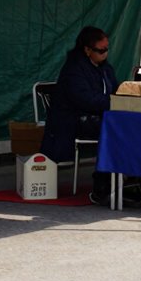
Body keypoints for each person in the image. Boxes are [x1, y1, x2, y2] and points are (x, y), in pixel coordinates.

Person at [39, 26, 118, 205]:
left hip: (98, 115)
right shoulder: (74, 70)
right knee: (114, 130)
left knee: (121, 127)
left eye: (107, 49)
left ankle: (122, 177)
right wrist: (113, 102)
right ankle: (103, 182)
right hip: (74, 120)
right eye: (101, 50)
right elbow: (85, 100)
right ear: (87, 50)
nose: (105, 53)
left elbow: (115, 89)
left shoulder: (106, 68)